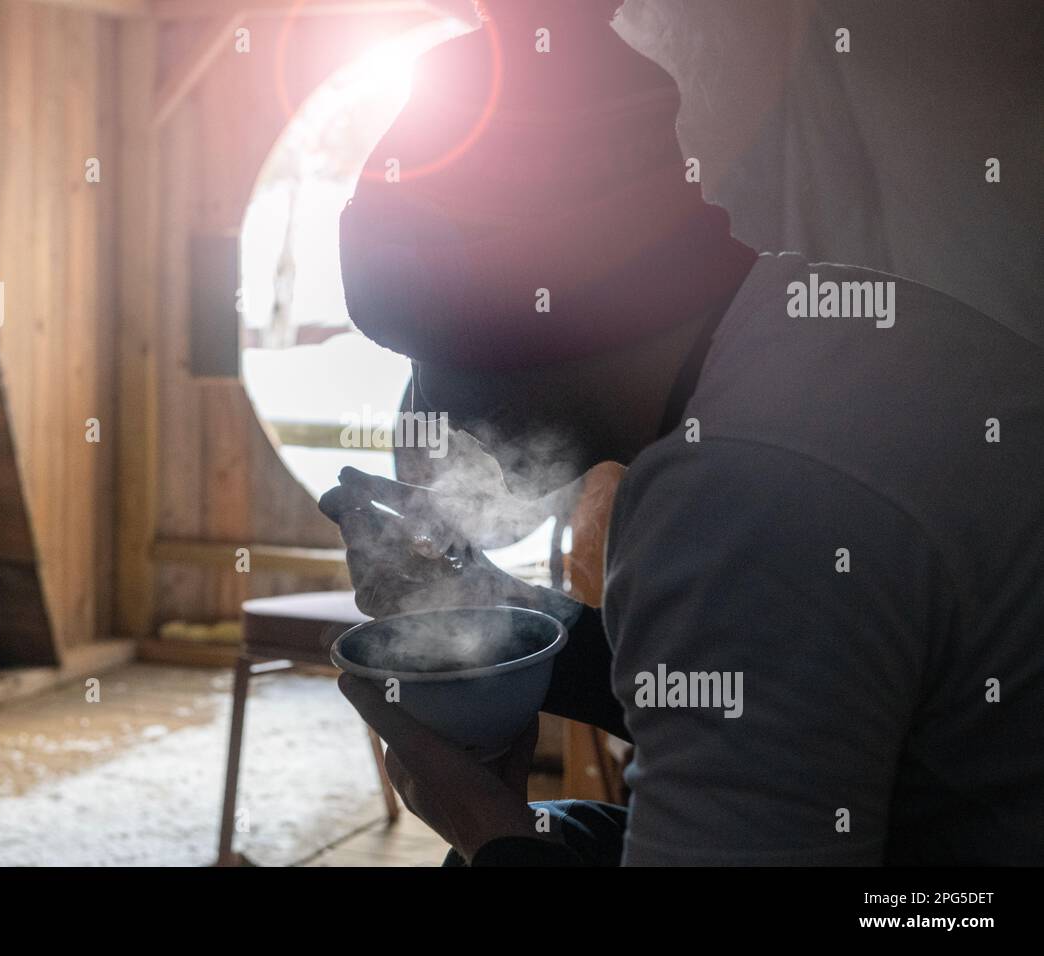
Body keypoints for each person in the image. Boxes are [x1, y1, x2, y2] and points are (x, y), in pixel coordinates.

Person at [321, 0, 1044, 865]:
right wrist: (488, 605)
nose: (433, 413)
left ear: (536, 312)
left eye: (431, 350)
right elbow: (774, 695)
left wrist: (483, 826)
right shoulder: (810, 337)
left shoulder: (737, 490)